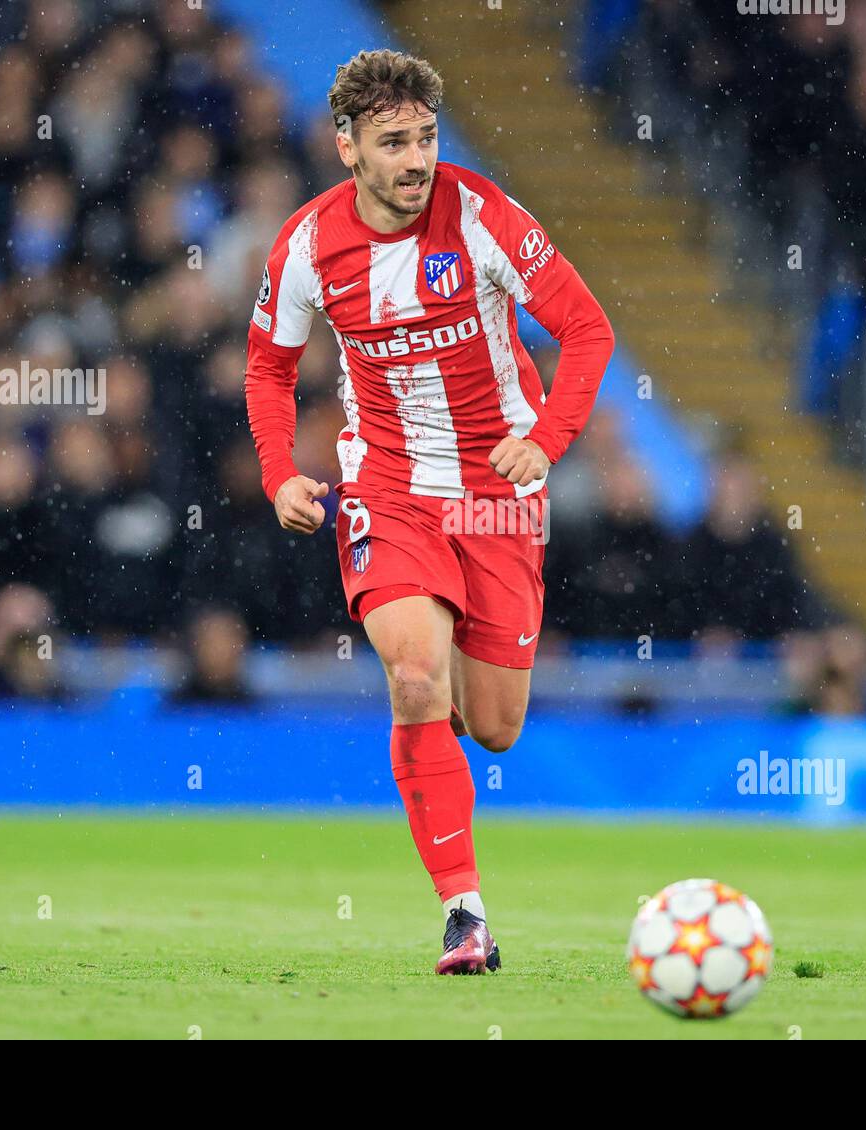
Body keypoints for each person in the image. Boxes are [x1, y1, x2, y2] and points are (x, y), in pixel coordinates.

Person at [244, 49, 614, 974]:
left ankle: (439, 691)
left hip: (496, 494)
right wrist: (279, 473)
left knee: (492, 726)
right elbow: (269, 365)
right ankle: (465, 916)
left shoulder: (483, 216)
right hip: (389, 488)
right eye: (393, 142)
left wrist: (550, 439)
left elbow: (588, 329)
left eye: (426, 137)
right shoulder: (306, 246)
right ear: (347, 150)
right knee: (414, 679)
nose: (416, 159)